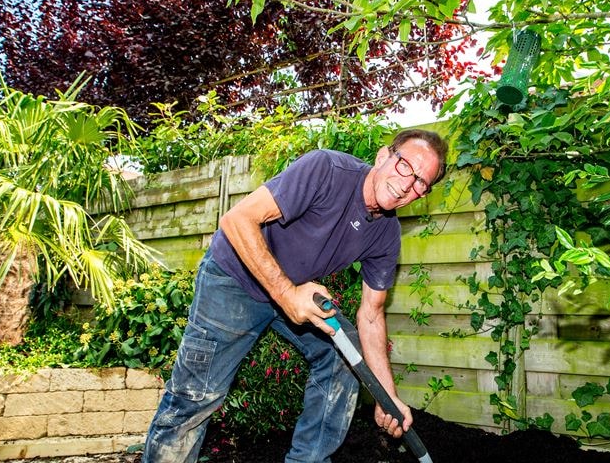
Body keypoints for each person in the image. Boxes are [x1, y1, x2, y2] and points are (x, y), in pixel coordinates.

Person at [142, 128, 448, 463]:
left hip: (293, 289)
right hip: (234, 277)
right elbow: (237, 219)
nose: (408, 184)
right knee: (195, 396)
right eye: (406, 166)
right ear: (382, 157)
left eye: (422, 182)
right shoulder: (327, 170)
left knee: (345, 353)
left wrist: (386, 396)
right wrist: (287, 294)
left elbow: (371, 315)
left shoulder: (386, 235)